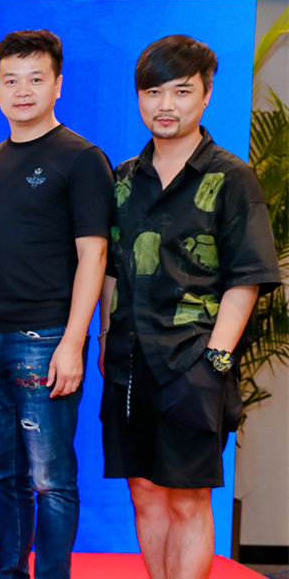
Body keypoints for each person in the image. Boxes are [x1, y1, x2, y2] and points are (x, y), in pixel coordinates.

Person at [99, 34, 278, 579]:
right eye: (153, 92)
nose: (165, 105)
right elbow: (112, 271)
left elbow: (247, 277)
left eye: (181, 91)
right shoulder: (124, 180)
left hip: (194, 360)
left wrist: (215, 360)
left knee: (187, 499)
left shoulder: (231, 177)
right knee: (145, 494)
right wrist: (106, 340)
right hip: (129, 361)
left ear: (206, 95)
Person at [0, 29, 114, 579]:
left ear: (58, 85)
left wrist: (73, 343)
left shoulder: (82, 158)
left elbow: (94, 256)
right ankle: (9, 572)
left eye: (35, 79)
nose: (22, 91)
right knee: (2, 474)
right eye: (11, 80)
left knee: (52, 480)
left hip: (45, 339)